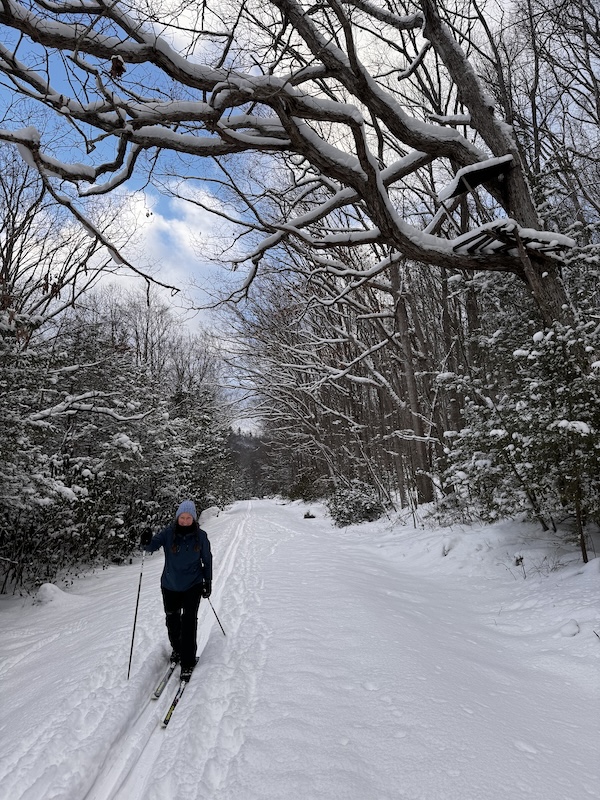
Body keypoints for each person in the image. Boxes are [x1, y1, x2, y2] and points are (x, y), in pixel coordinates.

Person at [140, 500, 212, 681]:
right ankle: (177, 650)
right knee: (172, 620)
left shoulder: (201, 536)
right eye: (182, 517)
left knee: (188, 622)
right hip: (170, 584)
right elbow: (150, 547)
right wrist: (146, 540)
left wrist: (207, 581)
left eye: (189, 518)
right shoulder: (168, 534)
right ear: (178, 517)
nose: (185, 521)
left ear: (193, 519)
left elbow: (207, 559)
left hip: (193, 584)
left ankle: (188, 661)